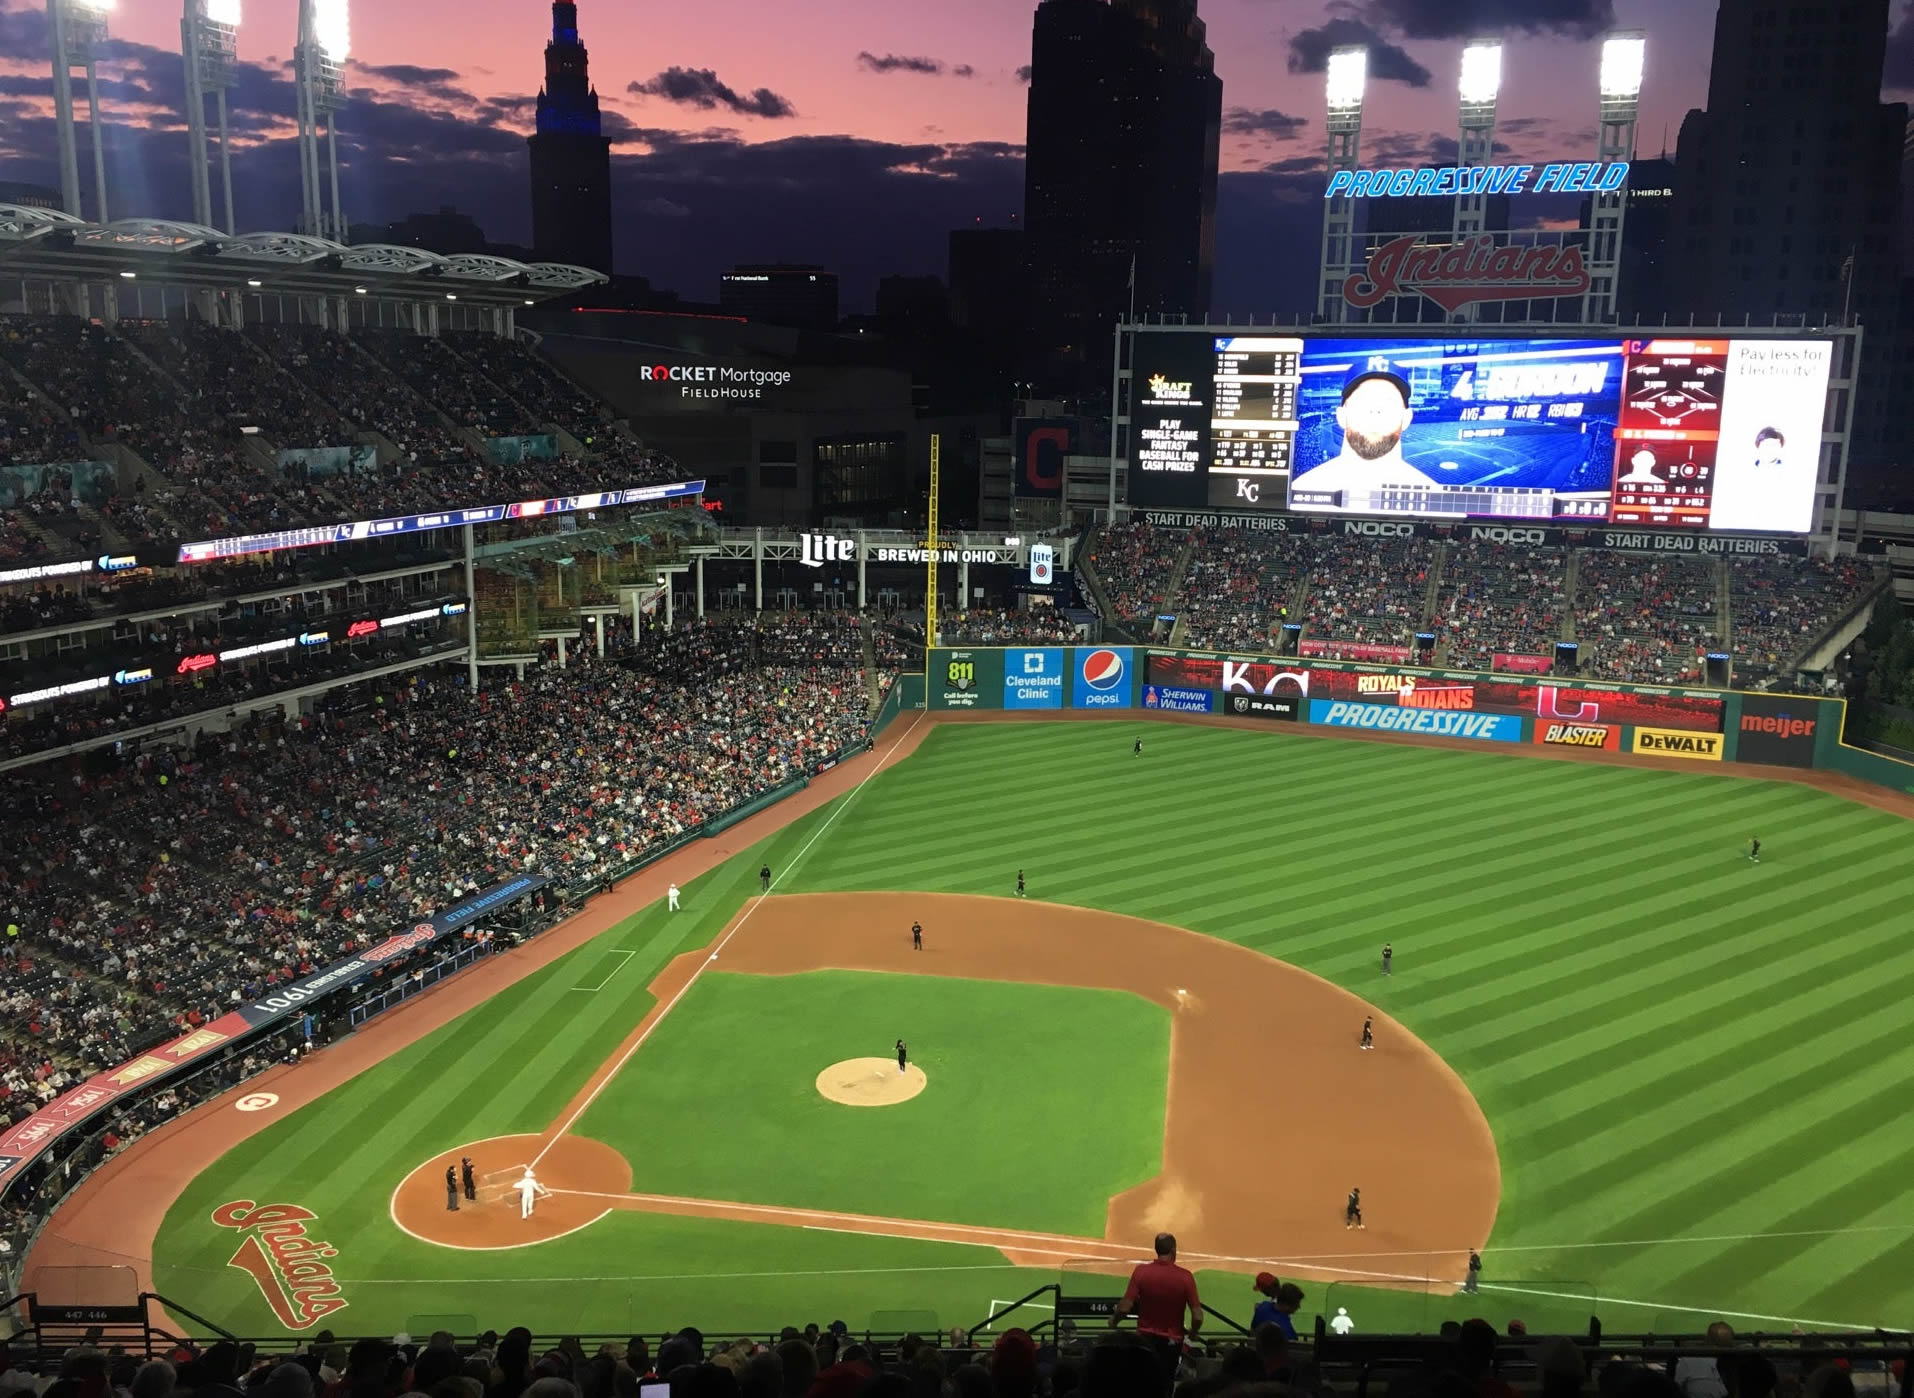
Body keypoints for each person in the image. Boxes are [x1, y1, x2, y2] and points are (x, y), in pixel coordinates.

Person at [1292, 360, 1437, 510]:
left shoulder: (1435, 499)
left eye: (1388, 402)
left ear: (1407, 418)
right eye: (1362, 402)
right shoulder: (1299, 491)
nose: (1375, 410)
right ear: (1341, 416)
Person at [1111, 1233, 1201, 1384]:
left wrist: (1114, 1321)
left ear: (1156, 1249)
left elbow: (1125, 1307)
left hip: (1144, 1339)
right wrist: (1193, 1333)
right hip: (1171, 1342)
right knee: (1165, 1382)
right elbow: (1198, 1316)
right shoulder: (1185, 1277)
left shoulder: (1141, 1271)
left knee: (1142, 1382)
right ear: (1173, 1250)